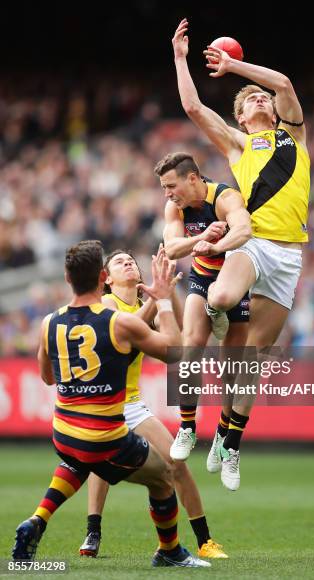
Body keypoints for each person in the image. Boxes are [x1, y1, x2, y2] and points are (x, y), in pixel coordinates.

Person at [12, 240, 209, 569]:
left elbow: (47, 378)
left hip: (63, 432)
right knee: (162, 477)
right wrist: (161, 301)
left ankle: (38, 520)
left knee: (79, 459)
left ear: (66, 277)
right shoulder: (116, 320)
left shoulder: (49, 323)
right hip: (105, 432)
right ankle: (170, 551)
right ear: (103, 276)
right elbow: (175, 351)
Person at [172, 19, 310, 490]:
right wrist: (179, 59)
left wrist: (234, 66)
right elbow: (192, 106)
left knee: (256, 358)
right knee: (226, 298)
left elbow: (285, 84)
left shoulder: (293, 133)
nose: (260, 98)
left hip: (290, 256)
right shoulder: (236, 143)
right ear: (240, 114)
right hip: (253, 243)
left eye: (262, 97)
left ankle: (228, 442)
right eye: (250, 97)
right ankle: (212, 316)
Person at [79, 248, 227, 559]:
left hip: (130, 403)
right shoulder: (106, 303)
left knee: (177, 464)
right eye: (119, 262)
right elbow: (127, 330)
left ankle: (205, 540)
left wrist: (167, 295)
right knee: (99, 464)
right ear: (106, 279)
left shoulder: (147, 302)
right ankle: (93, 531)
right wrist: (155, 300)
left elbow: (179, 342)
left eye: (131, 259)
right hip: (102, 402)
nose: (128, 262)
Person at [154, 152, 251, 488]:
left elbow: (244, 231)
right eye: (164, 187)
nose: (167, 193)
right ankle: (187, 428)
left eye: (171, 185)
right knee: (190, 346)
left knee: (231, 371)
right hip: (202, 277)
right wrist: (203, 238)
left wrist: (219, 243)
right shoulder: (175, 208)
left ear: (192, 178)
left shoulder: (225, 197)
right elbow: (174, 247)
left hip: (235, 281)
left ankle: (224, 438)